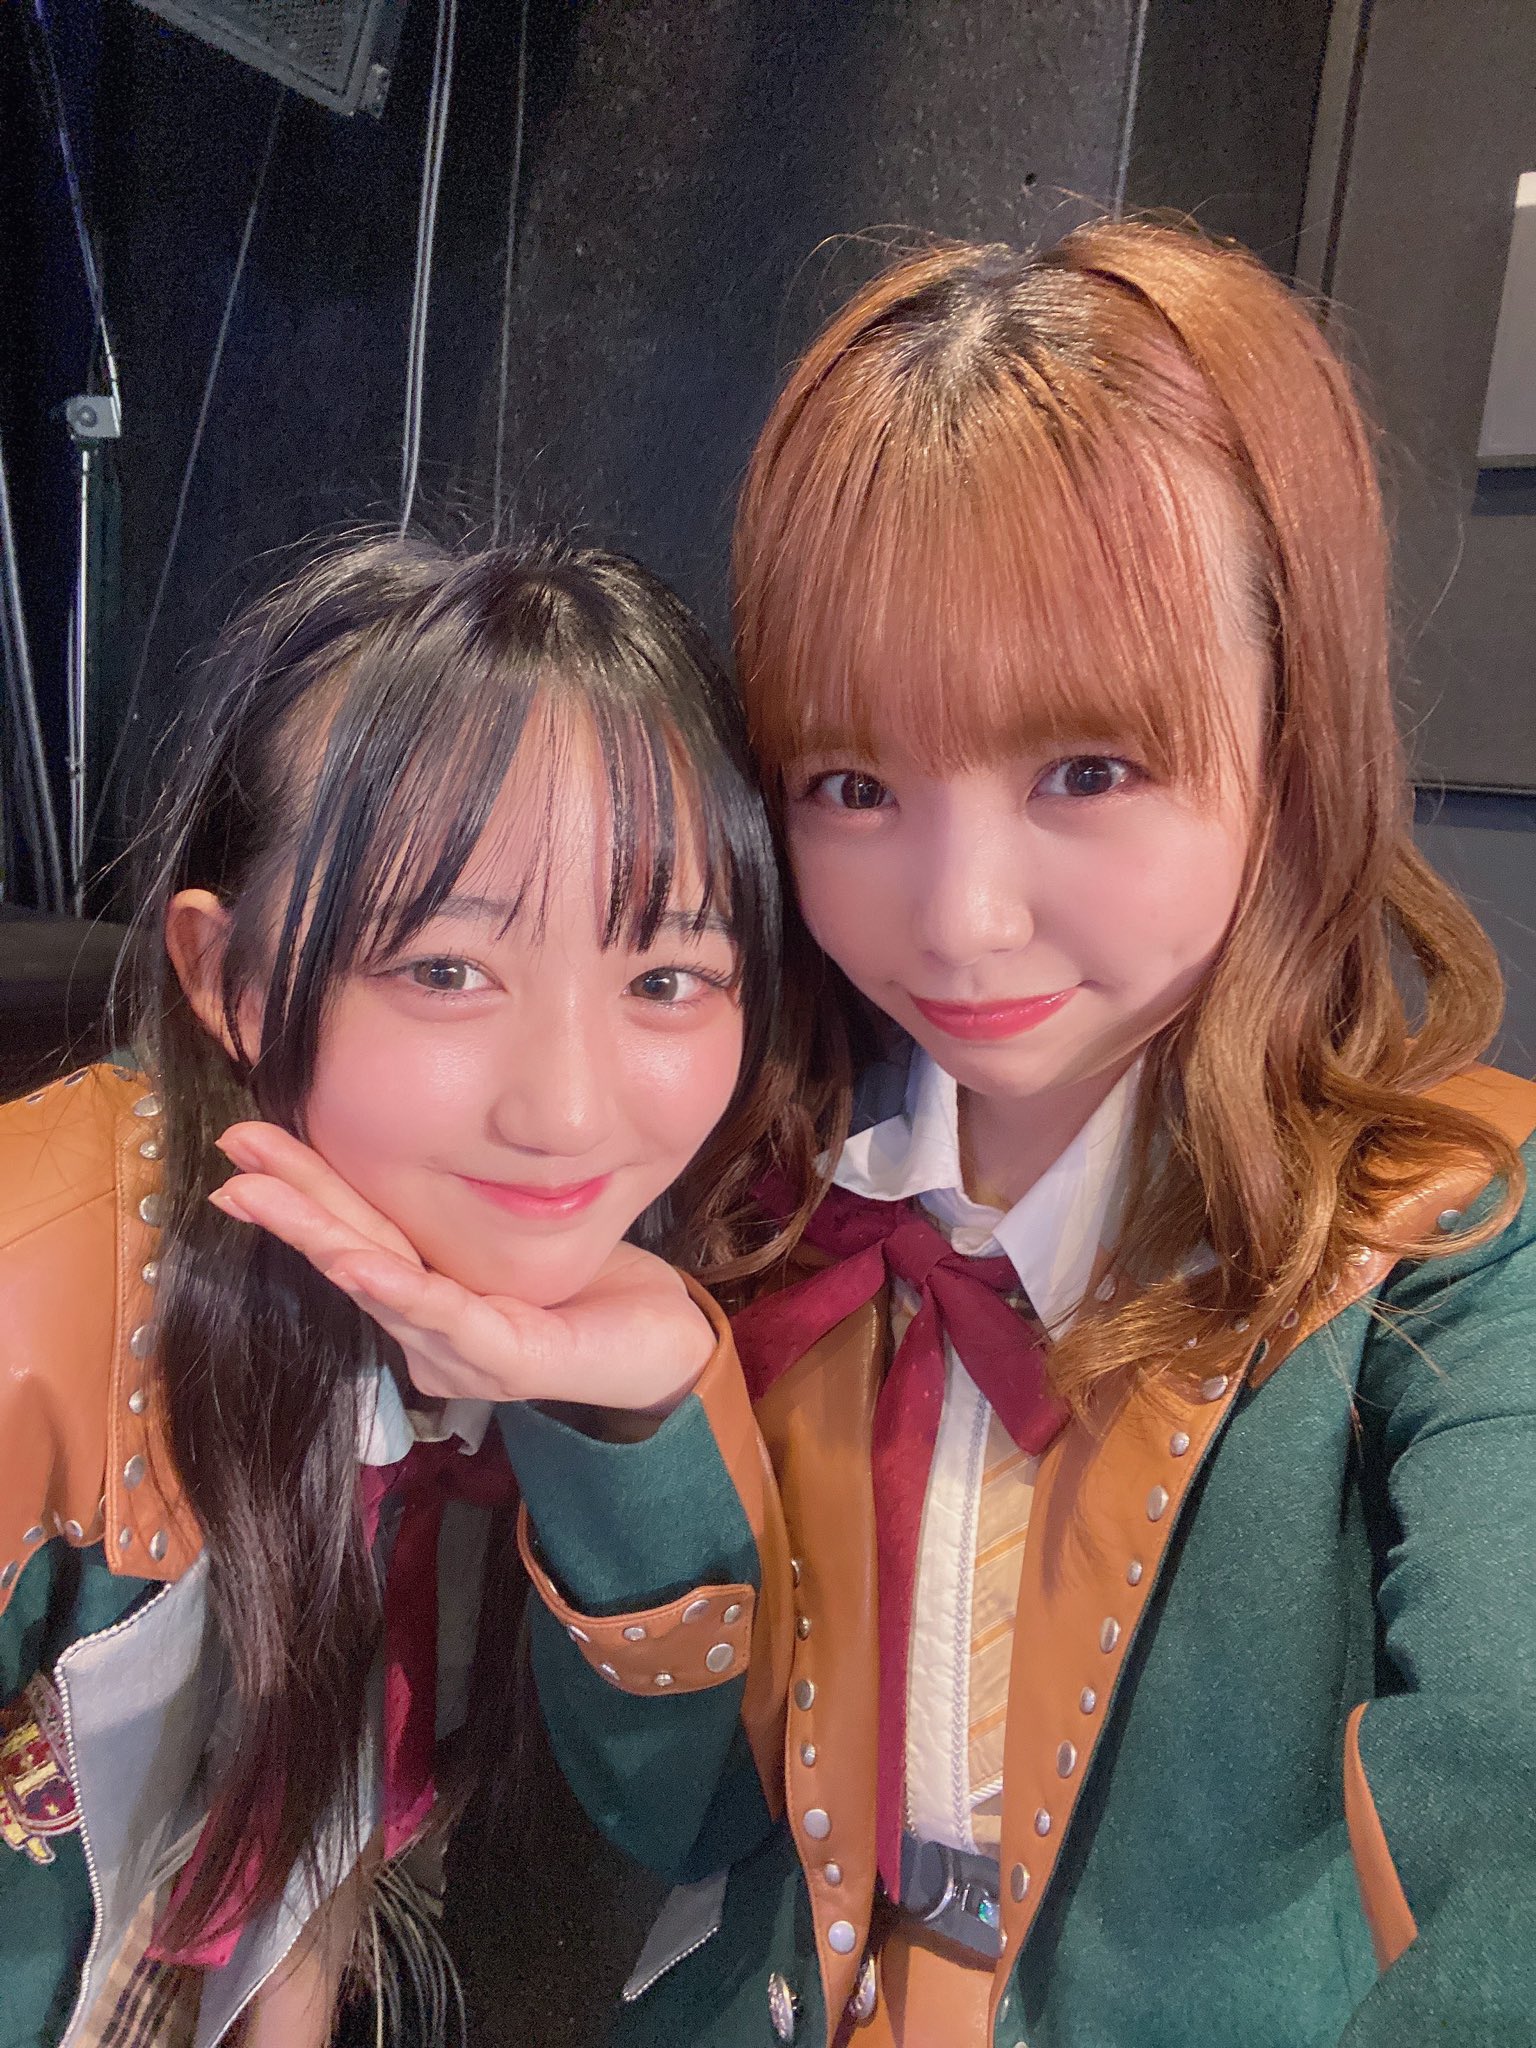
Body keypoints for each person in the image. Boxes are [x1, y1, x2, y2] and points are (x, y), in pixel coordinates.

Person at [221, 225, 1536, 2048]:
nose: (961, 919)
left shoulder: (1450, 1244)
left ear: (1291, 728)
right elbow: (679, 1816)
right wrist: (626, 1415)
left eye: (1086, 771)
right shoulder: (750, 1176)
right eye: (854, 786)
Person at [0, 536, 822, 2048]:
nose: (566, 1111)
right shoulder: (32, 1285)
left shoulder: (650, 1277)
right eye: (445, 970)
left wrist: (631, 1413)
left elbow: (690, 1820)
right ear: (232, 981)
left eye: (663, 979)